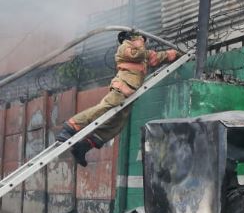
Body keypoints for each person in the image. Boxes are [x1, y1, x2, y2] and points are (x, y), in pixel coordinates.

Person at [56, 31, 180, 167]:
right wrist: (139, 42)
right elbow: (136, 54)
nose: (144, 42)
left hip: (129, 93)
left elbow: (155, 58)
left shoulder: (142, 53)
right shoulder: (125, 48)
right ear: (132, 39)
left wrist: (173, 54)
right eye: (141, 39)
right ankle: (70, 127)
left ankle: (83, 147)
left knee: (116, 124)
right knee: (104, 109)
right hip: (121, 88)